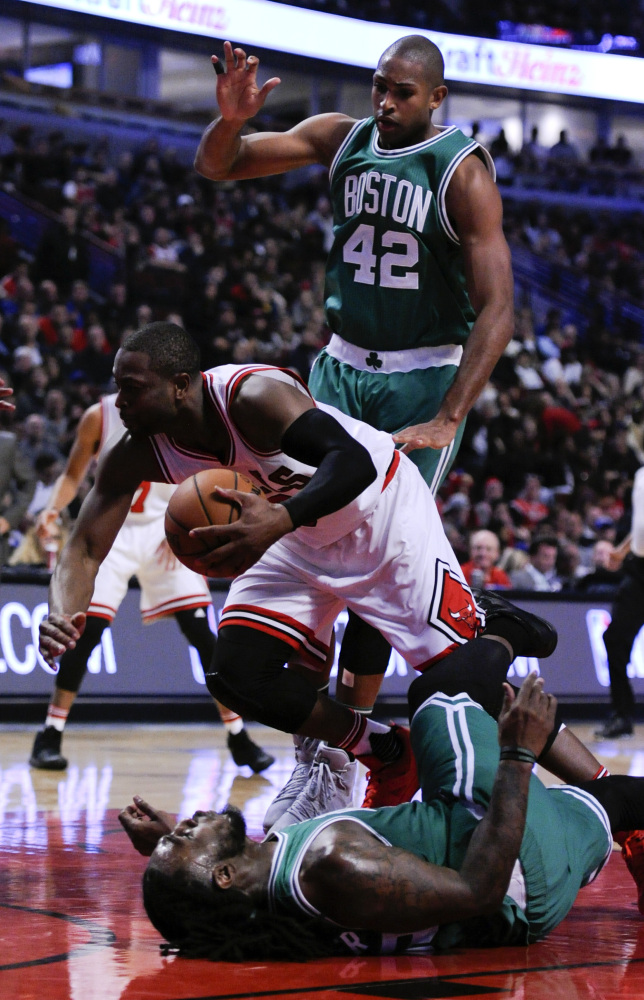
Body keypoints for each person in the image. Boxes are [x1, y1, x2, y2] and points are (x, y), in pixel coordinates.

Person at [39, 322, 568, 821]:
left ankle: (606, 791)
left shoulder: (253, 396)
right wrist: (62, 611)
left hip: (379, 514)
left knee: (467, 683)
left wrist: (278, 521)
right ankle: (381, 749)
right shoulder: (138, 451)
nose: (121, 402)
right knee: (235, 673)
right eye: (117, 388)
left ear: (181, 385)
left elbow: (353, 462)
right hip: (296, 531)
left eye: (132, 388)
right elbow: (83, 545)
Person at [193, 34, 515, 753]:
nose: (386, 101)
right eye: (379, 86)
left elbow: (498, 307)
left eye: (403, 92)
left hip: (420, 376)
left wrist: (448, 416)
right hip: (339, 367)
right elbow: (220, 166)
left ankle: (351, 746)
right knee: (309, 531)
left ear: (436, 98)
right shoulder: (343, 139)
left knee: (376, 548)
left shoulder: (461, 171)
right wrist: (231, 120)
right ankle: (327, 744)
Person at [118, 660, 644, 961]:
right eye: (180, 842)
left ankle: (634, 838)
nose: (181, 827)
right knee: (445, 684)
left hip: (533, 890)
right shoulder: (331, 862)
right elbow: (476, 891)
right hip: (495, 847)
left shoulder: (271, 892)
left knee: (621, 799)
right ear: (226, 875)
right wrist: (517, 756)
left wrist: (168, 847)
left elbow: (209, 888)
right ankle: (498, 628)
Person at [30, 390, 274, 774]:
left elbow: (210, 475)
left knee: (203, 637)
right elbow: (73, 475)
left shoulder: (188, 412)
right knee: (85, 631)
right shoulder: (99, 416)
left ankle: (239, 736)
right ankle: (50, 733)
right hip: (114, 529)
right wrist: (52, 510)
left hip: (168, 532)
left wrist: (191, 525)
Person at [595, 467, 644, 739]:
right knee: (614, 639)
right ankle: (622, 715)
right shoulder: (639, 474)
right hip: (638, 571)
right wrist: (623, 550)